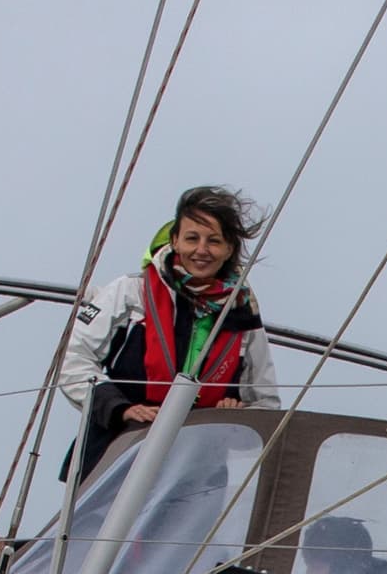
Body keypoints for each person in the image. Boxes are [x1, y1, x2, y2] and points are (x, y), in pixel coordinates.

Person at [63, 184, 273, 483]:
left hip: (196, 473)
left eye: (214, 241)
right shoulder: (129, 293)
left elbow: (264, 402)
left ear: (229, 249)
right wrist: (120, 408)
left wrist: (235, 416)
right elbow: (73, 361)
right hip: (114, 452)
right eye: (192, 238)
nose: (202, 250)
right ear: (175, 240)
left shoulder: (242, 314)